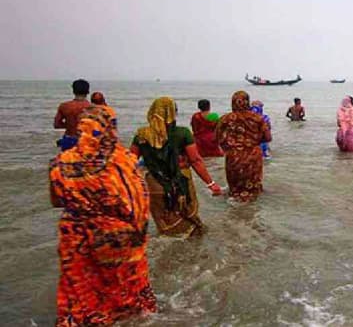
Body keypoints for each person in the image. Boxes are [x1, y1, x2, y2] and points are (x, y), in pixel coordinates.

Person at [49, 105, 156, 326]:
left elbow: (56, 200)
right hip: (115, 237)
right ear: (110, 128)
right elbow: (135, 203)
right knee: (126, 294)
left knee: (81, 293)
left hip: (75, 238)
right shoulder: (122, 161)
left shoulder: (59, 162)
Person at [131, 97, 222, 237]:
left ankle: (169, 256)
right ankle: (191, 255)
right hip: (180, 182)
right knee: (190, 223)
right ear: (174, 113)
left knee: (166, 223)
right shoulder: (182, 133)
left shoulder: (141, 134)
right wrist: (211, 183)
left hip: (154, 184)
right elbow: (196, 160)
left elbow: (129, 162)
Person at [217, 91, 272, 201]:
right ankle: (251, 213)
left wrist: (230, 145)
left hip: (233, 156)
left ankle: (234, 211)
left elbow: (218, 138)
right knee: (253, 187)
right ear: (247, 102)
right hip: (253, 155)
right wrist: (253, 141)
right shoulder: (258, 118)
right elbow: (268, 138)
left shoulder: (225, 119)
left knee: (235, 187)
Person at [54, 79, 92, 151]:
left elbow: (57, 125)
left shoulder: (64, 106)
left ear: (73, 91)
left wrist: (70, 124)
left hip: (69, 139)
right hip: (86, 141)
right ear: (88, 91)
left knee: (67, 160)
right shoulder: (93, 108)